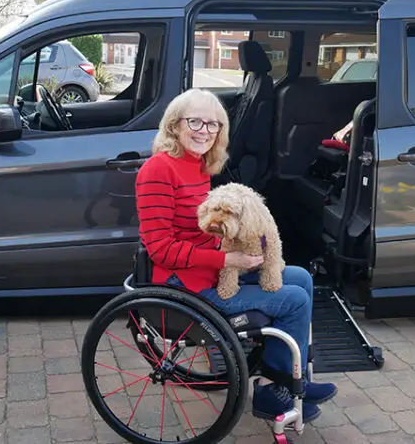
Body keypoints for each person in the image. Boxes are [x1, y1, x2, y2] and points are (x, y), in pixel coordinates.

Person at [134, 88, 337, 423]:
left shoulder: (198, 166)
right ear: (174, 125)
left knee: (300, 276)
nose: (204, 131)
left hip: (209, 271)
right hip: (186, 288)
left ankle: (296, 378)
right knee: (294, 301)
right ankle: (273, 390)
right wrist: (227, 261)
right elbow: (160, 248)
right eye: (195, 122)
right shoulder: (158, 170)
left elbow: (209, 231)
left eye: (213, 125)